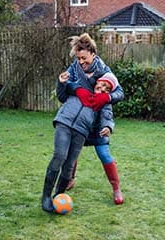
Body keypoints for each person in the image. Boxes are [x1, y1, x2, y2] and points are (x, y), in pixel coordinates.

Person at [54, 33, 125, 205]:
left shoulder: (105, 71)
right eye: (78, 58)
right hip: (79, 121)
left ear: (93, 54)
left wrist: (106, 98)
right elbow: (62, 96)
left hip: (98, 124)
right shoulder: (74, 69)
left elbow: (120, 93)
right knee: (72, 154)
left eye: (84, 58)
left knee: (104, 154)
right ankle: (69, 179)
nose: (81, 62)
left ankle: (116, 188)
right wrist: (65, 84)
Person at [41, 72, 118, 212]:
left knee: (69, 165)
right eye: (102, 84)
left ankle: (58, 196)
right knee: (60, 156)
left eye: (107, 89)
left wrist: (108, 127)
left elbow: (108, 116)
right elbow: (62, 95)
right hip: (64, 123)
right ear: (98, 81)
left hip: (81, 131)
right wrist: (61, 83)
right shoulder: (80, 87)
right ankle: (46, 197)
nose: (102, 89)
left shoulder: (103, 102)